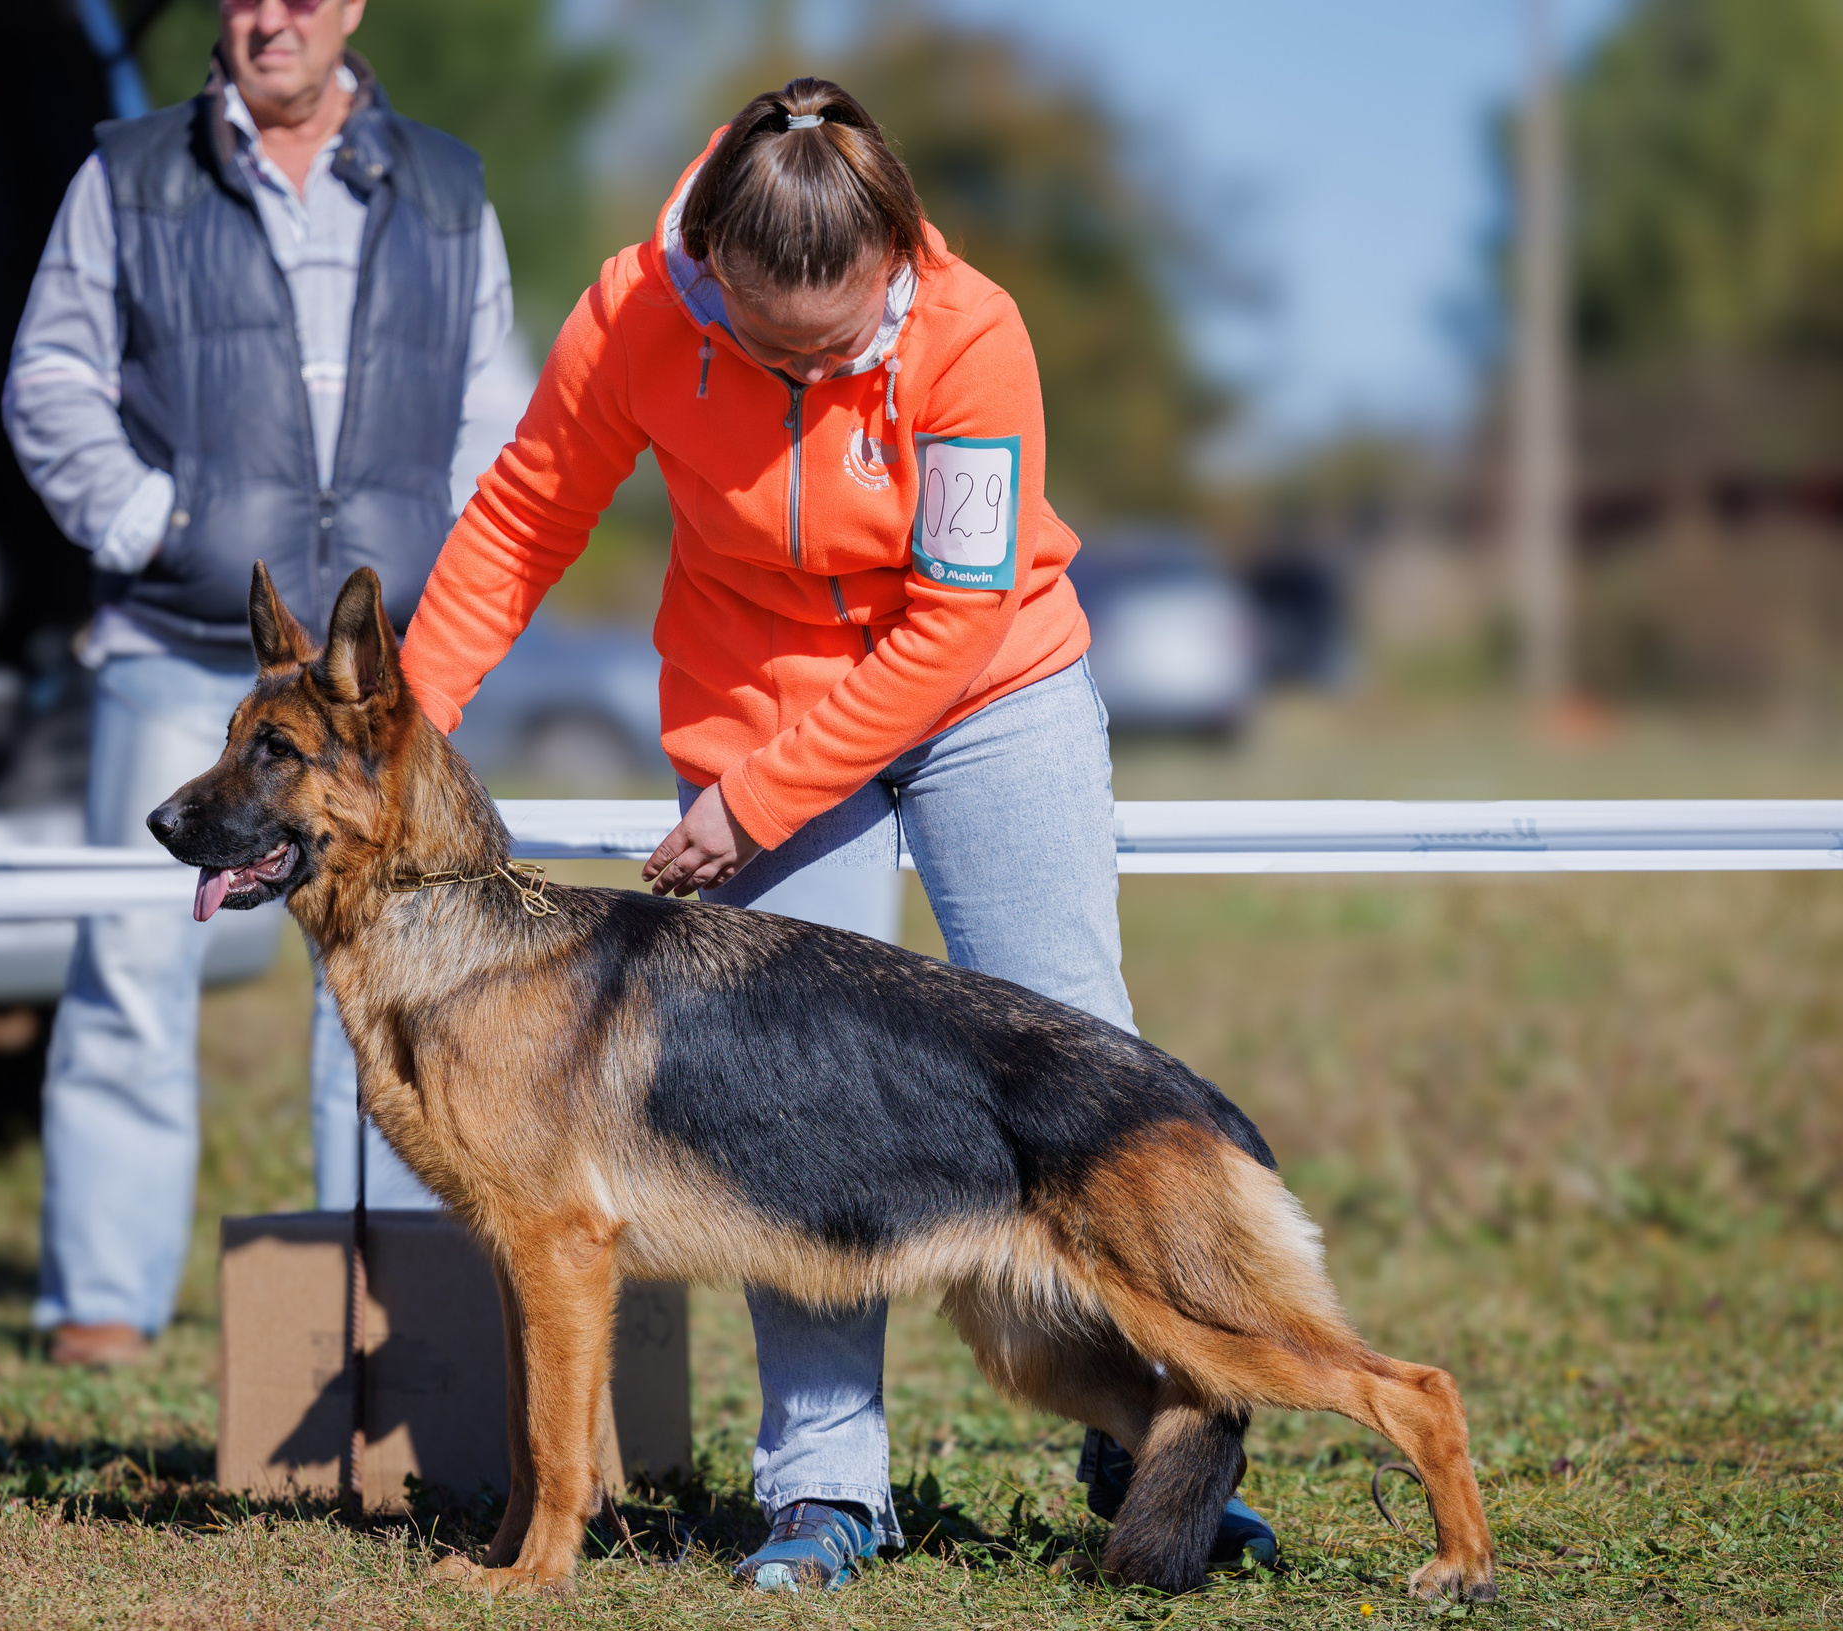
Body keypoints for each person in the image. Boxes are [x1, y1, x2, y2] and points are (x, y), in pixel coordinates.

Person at [398, 77, 1277, 1591]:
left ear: (896, 262)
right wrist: (394, 724)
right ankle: (824, 1494)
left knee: (1077, 1047)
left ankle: (1150, 1442)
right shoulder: (634, 315)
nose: (815, 361)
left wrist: (756, 804)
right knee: (784, 1105)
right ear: (712, 266)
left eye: (846, 333)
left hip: (990, 687)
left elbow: (949, 626)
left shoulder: (971, 330)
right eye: (772, 339)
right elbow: (528, 512)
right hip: (752, 693)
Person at [2, 0, 527, 1366]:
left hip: (370, 690)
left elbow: (495, 408)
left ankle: (363, 1314)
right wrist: (157, 528)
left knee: (390, 978)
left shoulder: (451, 184)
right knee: (129, 963)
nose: (265, 17)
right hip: (182, 644)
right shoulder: (126, 174)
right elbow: (50, 379)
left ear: (350, 8)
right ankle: (102, 1305)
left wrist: (450, 605)